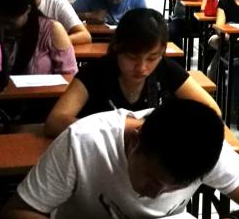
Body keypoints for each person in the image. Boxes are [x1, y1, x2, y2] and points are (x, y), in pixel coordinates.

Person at [0, 100, 239, 219]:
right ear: (136, 142)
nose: (155, 194)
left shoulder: (203, 149)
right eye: (152, 179)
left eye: (172, 188)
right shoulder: (83, 141)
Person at [44, 8, 220, 137]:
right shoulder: (95, 72)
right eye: (131, 57)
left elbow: (212, 111)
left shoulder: (166, 69)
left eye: (152, 58)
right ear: (117, 48)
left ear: (162, 52)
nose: (142, 67)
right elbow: (55, 122)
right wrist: (130, 128)